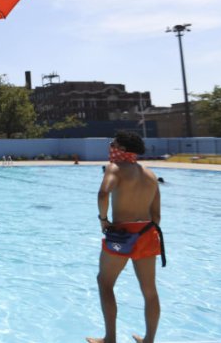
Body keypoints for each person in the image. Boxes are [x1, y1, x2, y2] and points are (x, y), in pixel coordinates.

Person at [88, 131, 163, 343]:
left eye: (113, 143)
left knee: (105, 282)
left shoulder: (115, 169)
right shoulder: (150, 175)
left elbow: (103, 194)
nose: (110, 146)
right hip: (147, 232)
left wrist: (103, 219)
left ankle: (110, 338)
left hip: (122, 234)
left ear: (121, 149)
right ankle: (149, 340)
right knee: (150, 291)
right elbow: (156, 215)